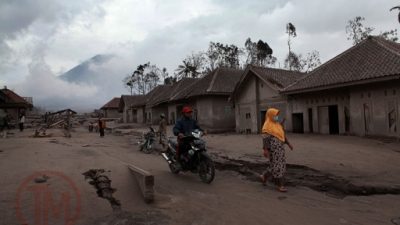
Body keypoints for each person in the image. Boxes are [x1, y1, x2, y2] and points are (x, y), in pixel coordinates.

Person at [259, 108, 293, 192]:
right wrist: (265, 150)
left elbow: (282, 135)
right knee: (278, 167)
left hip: (280, 149)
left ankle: (264, 176)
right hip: (273, 150)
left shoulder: (277, 125)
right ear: (270, 115)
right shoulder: (267, 126)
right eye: (275, 115)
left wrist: (288, 144)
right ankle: (280, 185)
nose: (277, 116)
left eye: (277, 115)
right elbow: (265, 139)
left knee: (275, 166)